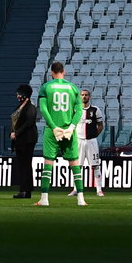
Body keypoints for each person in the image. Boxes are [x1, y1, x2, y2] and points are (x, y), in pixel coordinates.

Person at [34, 62, 83, 207]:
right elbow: (79, 111)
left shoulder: (46, 87)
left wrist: (54, 127)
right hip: (69, 130)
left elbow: (43, 109)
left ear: (51, 73)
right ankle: (81, 198)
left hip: (52, 130)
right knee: (74, 163)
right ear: (64, 72)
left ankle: (44, 199)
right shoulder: (73, 88)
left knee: (48, 163)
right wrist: (71, 127)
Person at [69, 89, 105, 197]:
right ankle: (76, 189)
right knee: (77, 166)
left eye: (86, 95)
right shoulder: (75, 110)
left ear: (89, 97)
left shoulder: (95, 110)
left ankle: (99, 189)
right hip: (79, 141)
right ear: (80, 97)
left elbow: (100, 125)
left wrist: (94, 135)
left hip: (91, 141)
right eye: (82, 95)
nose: (84, 97)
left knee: (95, 165)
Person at [10, 85, 37, 199]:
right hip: (21, 140)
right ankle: (25, 190)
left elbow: (29, 122)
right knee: (23, 166)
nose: (18, 96)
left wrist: (17, 133)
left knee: (25, 165)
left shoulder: (30, 107)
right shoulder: (21, 107)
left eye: (19, 94)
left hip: (27, 140)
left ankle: (25, 190)